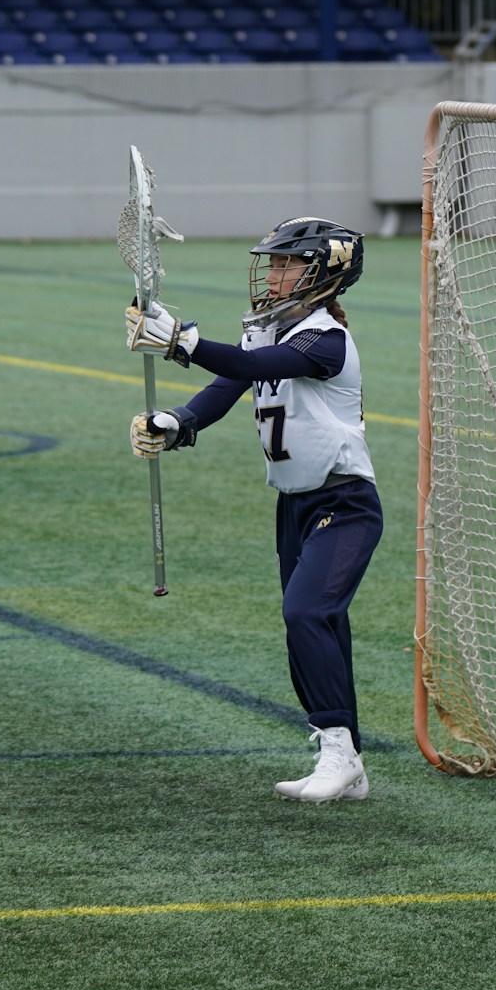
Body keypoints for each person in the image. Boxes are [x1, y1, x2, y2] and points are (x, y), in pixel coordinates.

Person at [125, 216, 381, 803]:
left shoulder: (325, 338)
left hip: (343, 503)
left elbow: (252, 369)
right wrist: (179, 421)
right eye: (273, 263)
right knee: (320, 625)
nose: (272, 274)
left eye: (287, 264)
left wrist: (181, 342)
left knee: (306, 612)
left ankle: (338, 752)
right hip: (293, 507)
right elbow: (227, 386)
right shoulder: (270, 333)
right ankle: (348, 763)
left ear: (324, 273)